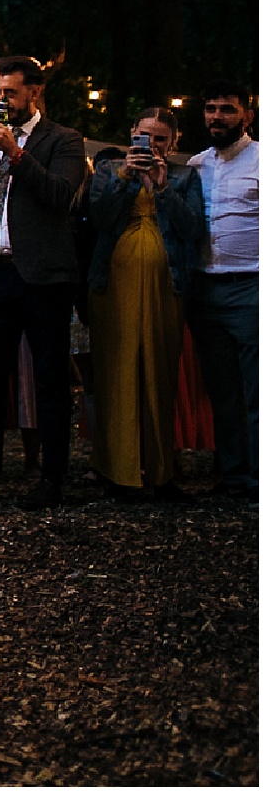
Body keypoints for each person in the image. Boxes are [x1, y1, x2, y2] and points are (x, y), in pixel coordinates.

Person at [0, 56, 88, 509]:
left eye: (9, 92)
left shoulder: (63, 140)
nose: (1, 101)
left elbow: (59, 197)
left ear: (35, 92)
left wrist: (16, 152)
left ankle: (51, 479)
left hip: (43, 277)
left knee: (49, 379)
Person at [86, 108, 205, 502]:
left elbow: (192, 230)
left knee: (159, 369)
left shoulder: (185, 176)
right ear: (131, 135)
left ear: (172, 142)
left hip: (165, 283)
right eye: (143, 136)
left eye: (159, 139)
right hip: (113, 280)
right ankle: (116, 470)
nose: (150, 145)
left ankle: (160, 470)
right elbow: (97, 218)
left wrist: (163, 187)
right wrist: (123, 179)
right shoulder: (109, 171)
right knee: (115, 370)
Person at [187, 81, 256, 505]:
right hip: (206, 291)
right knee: (222, 392)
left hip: (250, 286)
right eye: (210, 109)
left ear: (246, 115)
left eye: (227, 110)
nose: (217, 117)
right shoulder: (196, 166)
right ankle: (234, 477)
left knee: (256, 391)